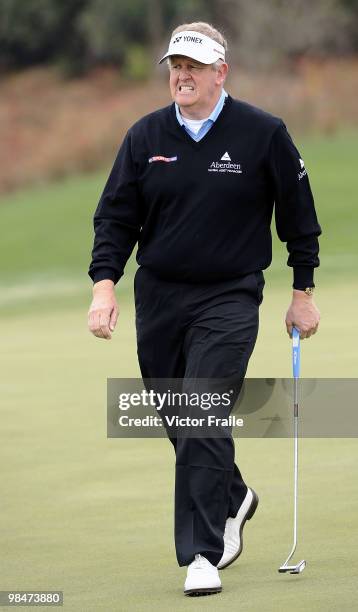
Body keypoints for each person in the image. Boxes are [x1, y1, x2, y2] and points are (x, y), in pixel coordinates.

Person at [88, 22, 321, 597]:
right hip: (161, 296)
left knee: (199, 407)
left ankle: (201, 553)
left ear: (222, 72)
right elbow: (115, 217)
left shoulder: (263, 133)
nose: (182, 75)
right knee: (180, 416)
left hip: (231, 295)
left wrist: (303, 291)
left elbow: (299, 215)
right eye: (175, 65)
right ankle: (233, 493)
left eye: (194, 65)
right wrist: (103, 286)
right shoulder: (145, 136)